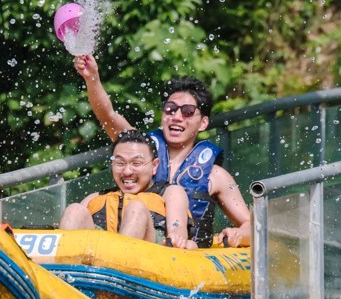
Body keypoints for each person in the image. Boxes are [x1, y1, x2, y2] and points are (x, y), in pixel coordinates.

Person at [74, 55, 251, 247]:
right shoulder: (139, 150)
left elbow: (251, 225)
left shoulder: (216, 176)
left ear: (203, 123)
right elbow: (108, 116)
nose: (177, 117)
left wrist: (239, 234)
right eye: (170, 109)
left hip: (187, 254)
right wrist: (92, 78)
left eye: (188, 112)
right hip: (135, 243)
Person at [59, 130, 196, 248]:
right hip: (99, 257)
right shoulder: (95, 198)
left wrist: (178, 239)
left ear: (154, 166)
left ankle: (117, 262)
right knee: (74, 210)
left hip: (150, 256)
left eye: (136, 163)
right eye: (120, 163)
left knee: (136, 208)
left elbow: (177, 232)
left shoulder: (170, 193)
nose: (127, 171)